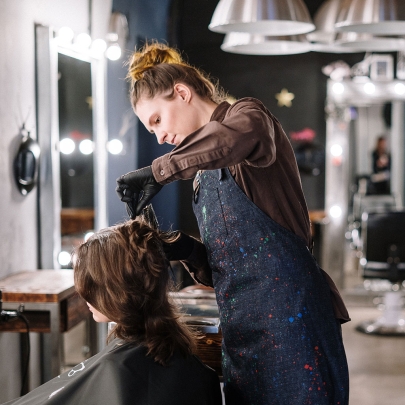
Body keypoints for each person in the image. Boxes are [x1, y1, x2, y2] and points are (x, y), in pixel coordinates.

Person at [116, 42, 350, 405]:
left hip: (294, 325)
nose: (159, 137)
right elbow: (231, 268)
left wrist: (160, 171)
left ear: (181, 92)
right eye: (152, 131)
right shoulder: (201, 176)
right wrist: (184, 249)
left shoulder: (249, 118)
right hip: (242, 333)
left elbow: (234, 140)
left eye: (157, 121)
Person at [2, 217, 222, 405]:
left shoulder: (116, 369)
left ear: (114, 292)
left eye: (90, 286)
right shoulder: (183, 355)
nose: (83, 294)